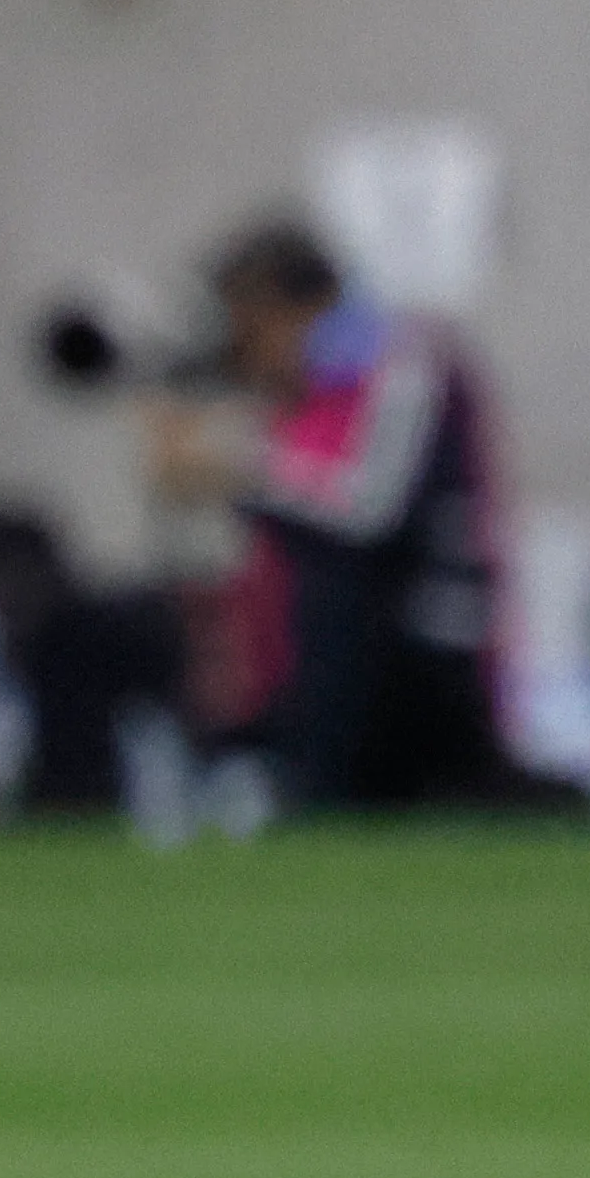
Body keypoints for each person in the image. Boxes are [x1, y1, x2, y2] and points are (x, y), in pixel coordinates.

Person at [164, 222, 517, 810]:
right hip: (351, 635)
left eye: (252, 331)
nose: (245, 355)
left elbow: (370, 511)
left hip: (426, 637)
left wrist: (235, 466)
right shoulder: (313, 389)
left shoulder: (405, 361)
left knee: (333, 608)